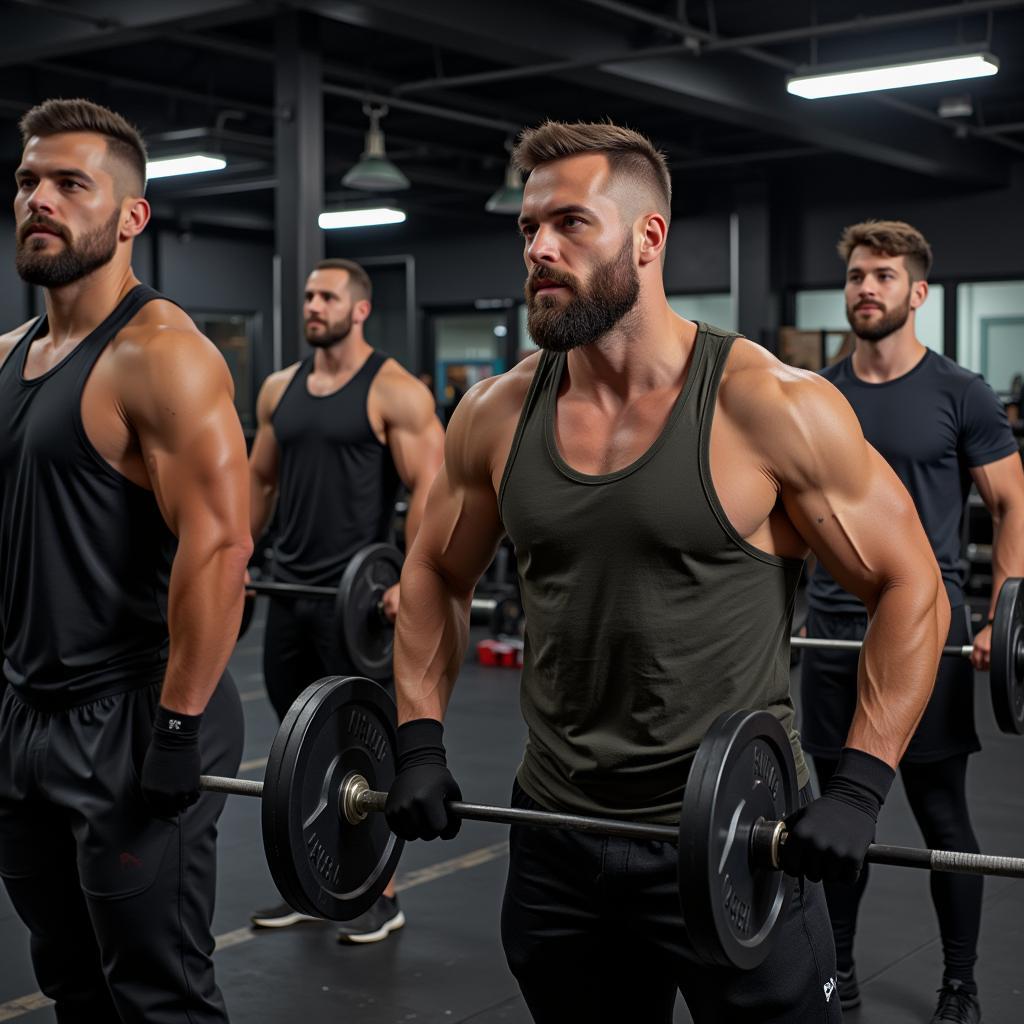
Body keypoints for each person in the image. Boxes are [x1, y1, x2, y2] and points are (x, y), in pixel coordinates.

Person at [382, 120, 951, 1024]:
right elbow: (431, 574)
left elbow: (912, 582)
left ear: (648, 239)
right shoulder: (493, 414)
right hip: (557, 838)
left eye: (571, 223)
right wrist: (416, 741)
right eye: (528, 228)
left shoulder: (767, 405)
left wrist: (858, 788)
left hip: (732, 833)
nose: (538, 248)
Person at [0, 99, 250, 1022]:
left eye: (71, 183)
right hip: (28, 713)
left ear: (131, 215)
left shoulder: (162, 356)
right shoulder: (9, 357)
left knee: (158, 995)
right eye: (29, 180)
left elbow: (221, 546)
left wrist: (179, 729)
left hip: (135, 713)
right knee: (67, 978)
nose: (41, 199)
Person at [800, 220, 1024, 1023]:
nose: (867, 287)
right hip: (831, 633)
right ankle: (841, 975)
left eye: (884, 276)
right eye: (858, 274)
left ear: (917, 293)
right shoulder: (818, 395)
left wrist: (1003, 608)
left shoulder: (959, 392)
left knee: (942, 816)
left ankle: (959, 985)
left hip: (930, 636)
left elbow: (1009, 501)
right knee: (831, 815)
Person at [247, 257, 444, 940]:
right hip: (289, 592)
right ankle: (314, 884)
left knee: (362, 747)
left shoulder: (394, 392)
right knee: (297, 744)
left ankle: (379, 891)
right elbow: (261, 483)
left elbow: (433, 487)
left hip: (355, 602)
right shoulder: (278, 389)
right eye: (307, 295)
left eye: (326, 296)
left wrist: (408, 578)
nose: (312, 305)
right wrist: (239, 553)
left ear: (359, 309)